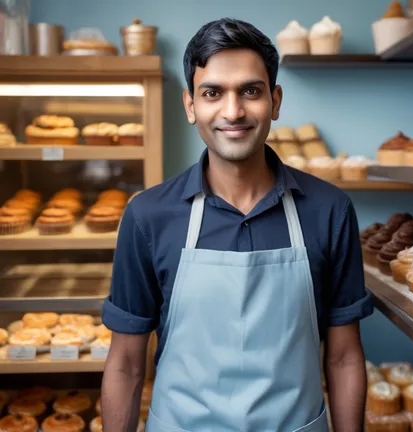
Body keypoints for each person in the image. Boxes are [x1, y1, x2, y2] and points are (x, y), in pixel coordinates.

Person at [101, 17, 373, 432]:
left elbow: (343, 357)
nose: (233, 111)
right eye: (213, 93)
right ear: (191, 106)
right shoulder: (147, 216)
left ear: (275, 101)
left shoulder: (329, 210)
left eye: (251, 91)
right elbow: (124, 364)